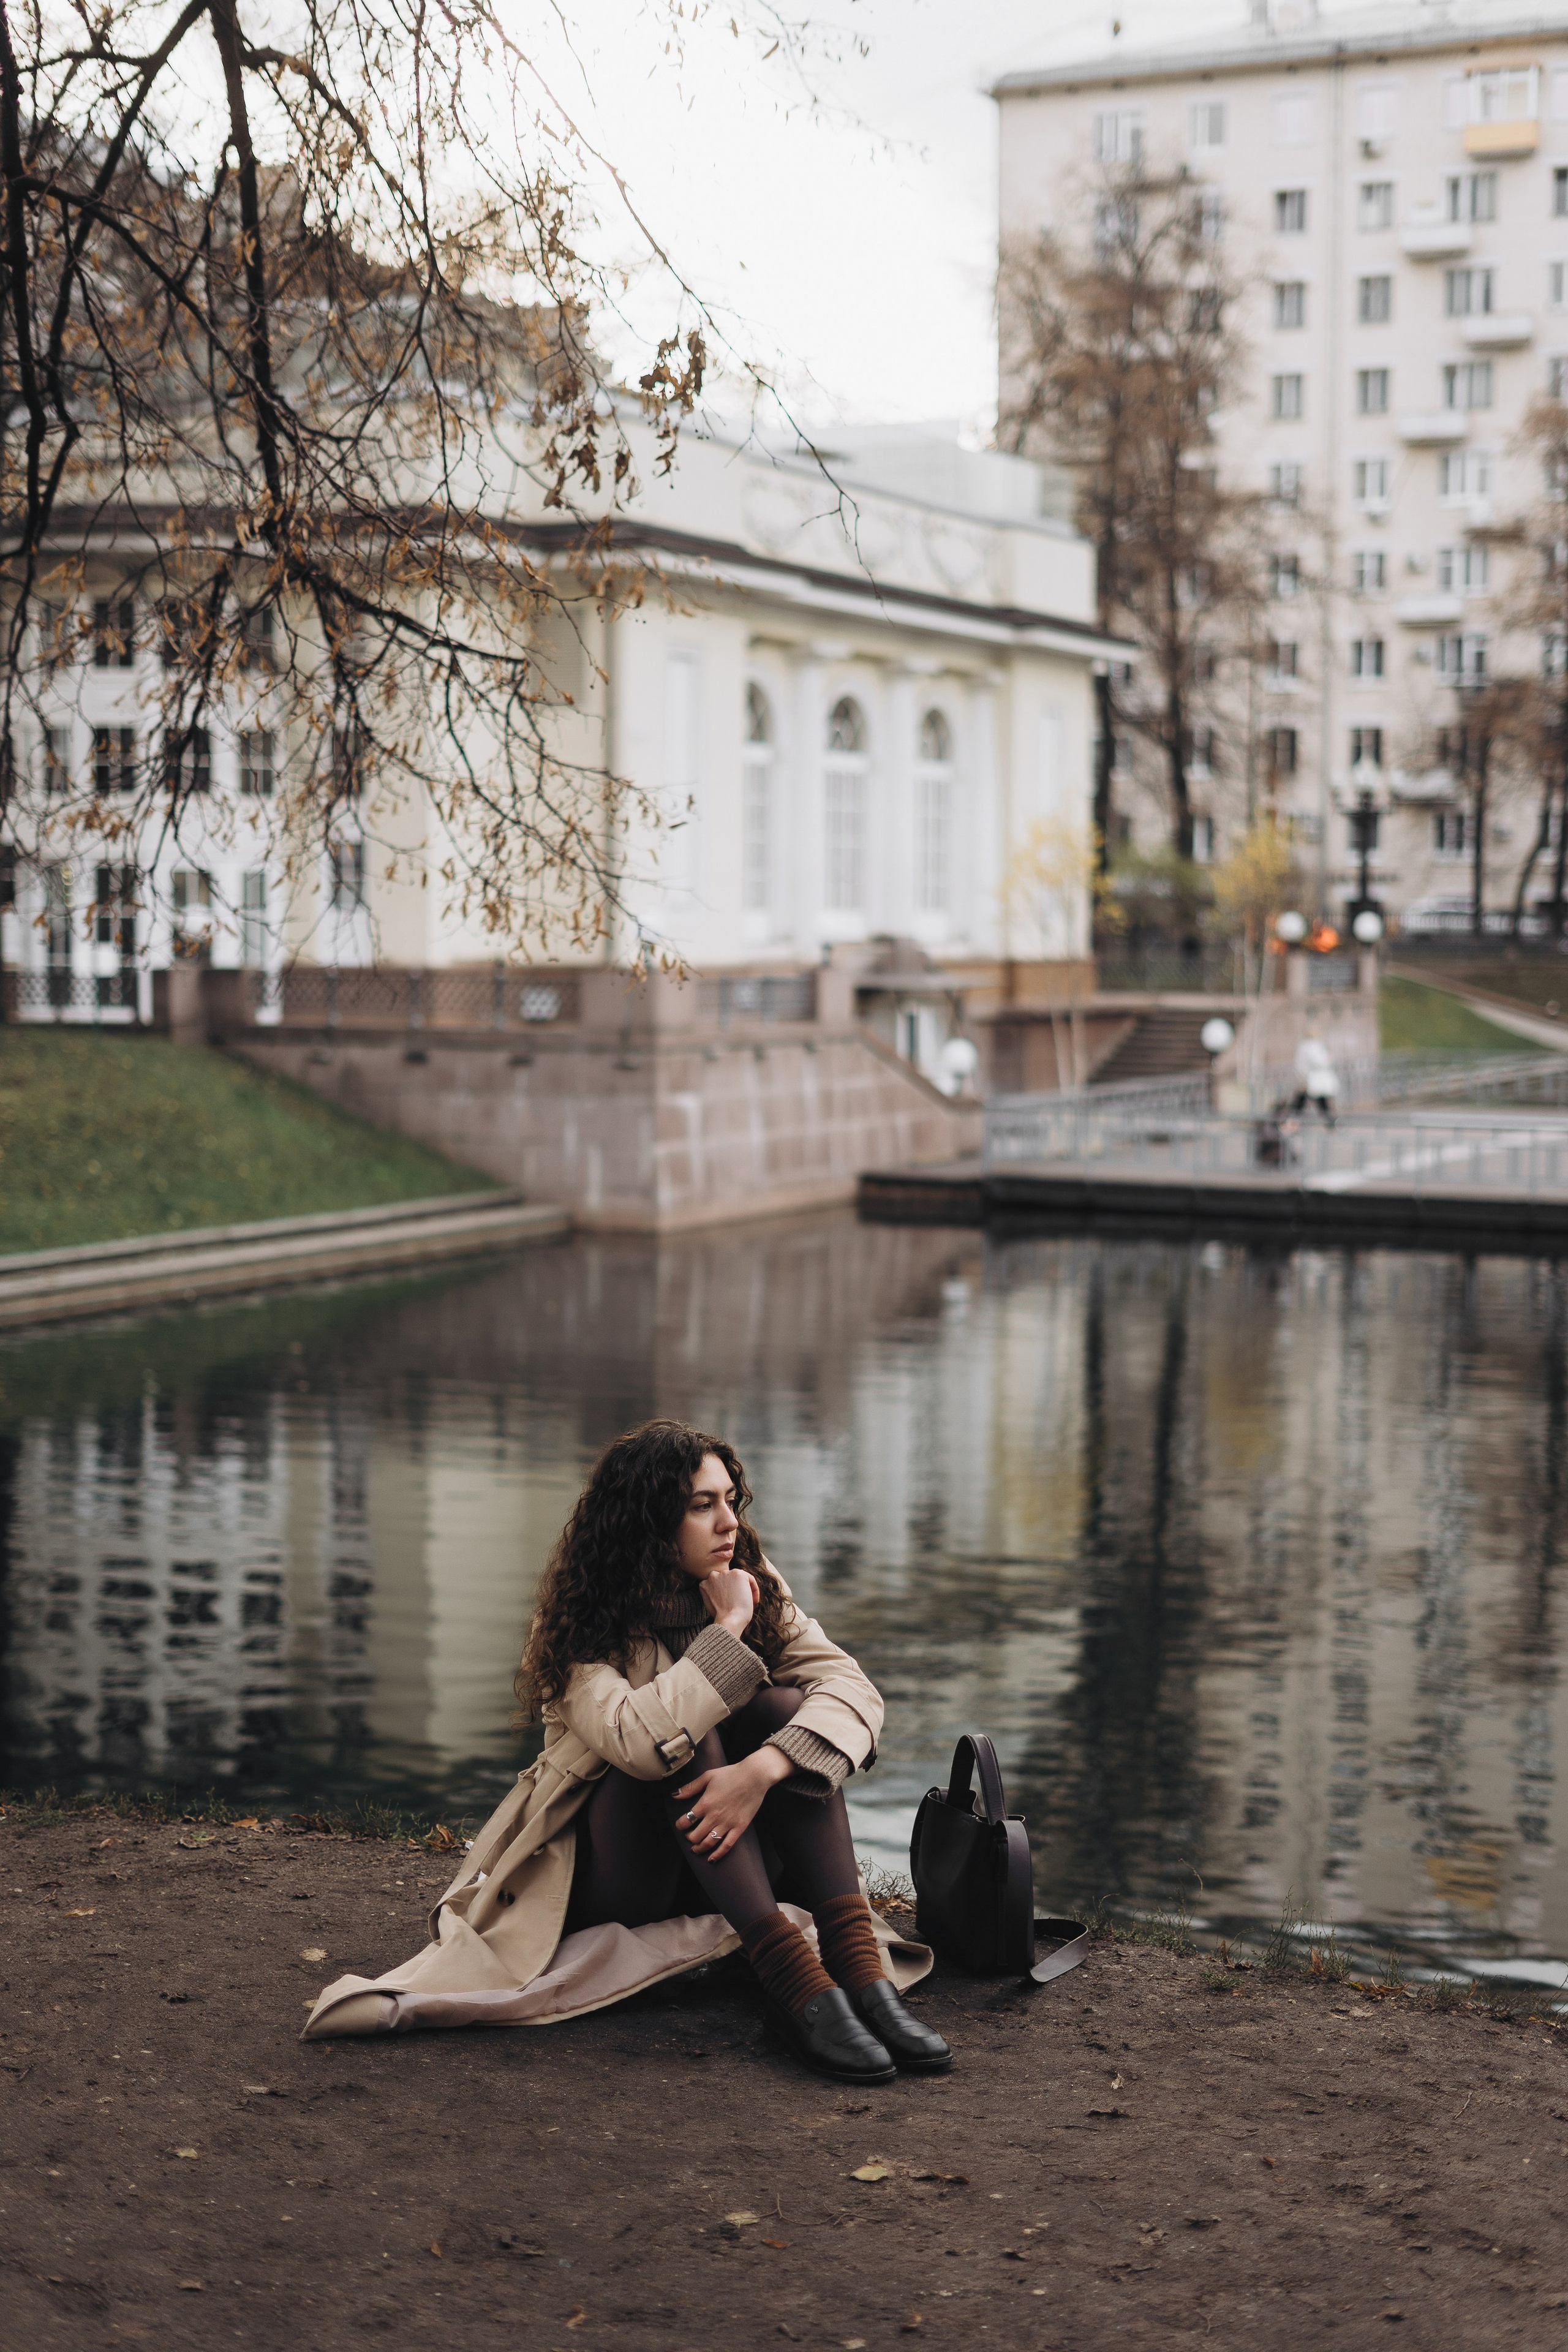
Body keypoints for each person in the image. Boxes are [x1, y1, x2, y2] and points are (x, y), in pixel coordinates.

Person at [302, 1421, 948, 2086]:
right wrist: (724, 1630)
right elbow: (642, 1743)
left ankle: (862, 1978)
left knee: (784, 1712)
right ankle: (797, 1988)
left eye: (731, 1500)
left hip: (723, 1849)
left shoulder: (750, 1580)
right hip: (621, 1875)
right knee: (682, 1738)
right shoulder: (582, 1619)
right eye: (702, 1506)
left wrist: (762, 1770)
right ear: (648, 1520)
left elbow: (853, 1689)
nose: (728, 1522)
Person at [1291, 1030, 1340, 1126]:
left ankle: (1292, 1122)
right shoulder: (1312, 1047)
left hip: (1312, 1081)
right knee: (1314, 1101)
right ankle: (1331, 1123)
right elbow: (1320, 1061)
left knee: (1314, 1101)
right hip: (1314, 1081)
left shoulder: (1306, 1046)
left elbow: (1300, 1064)